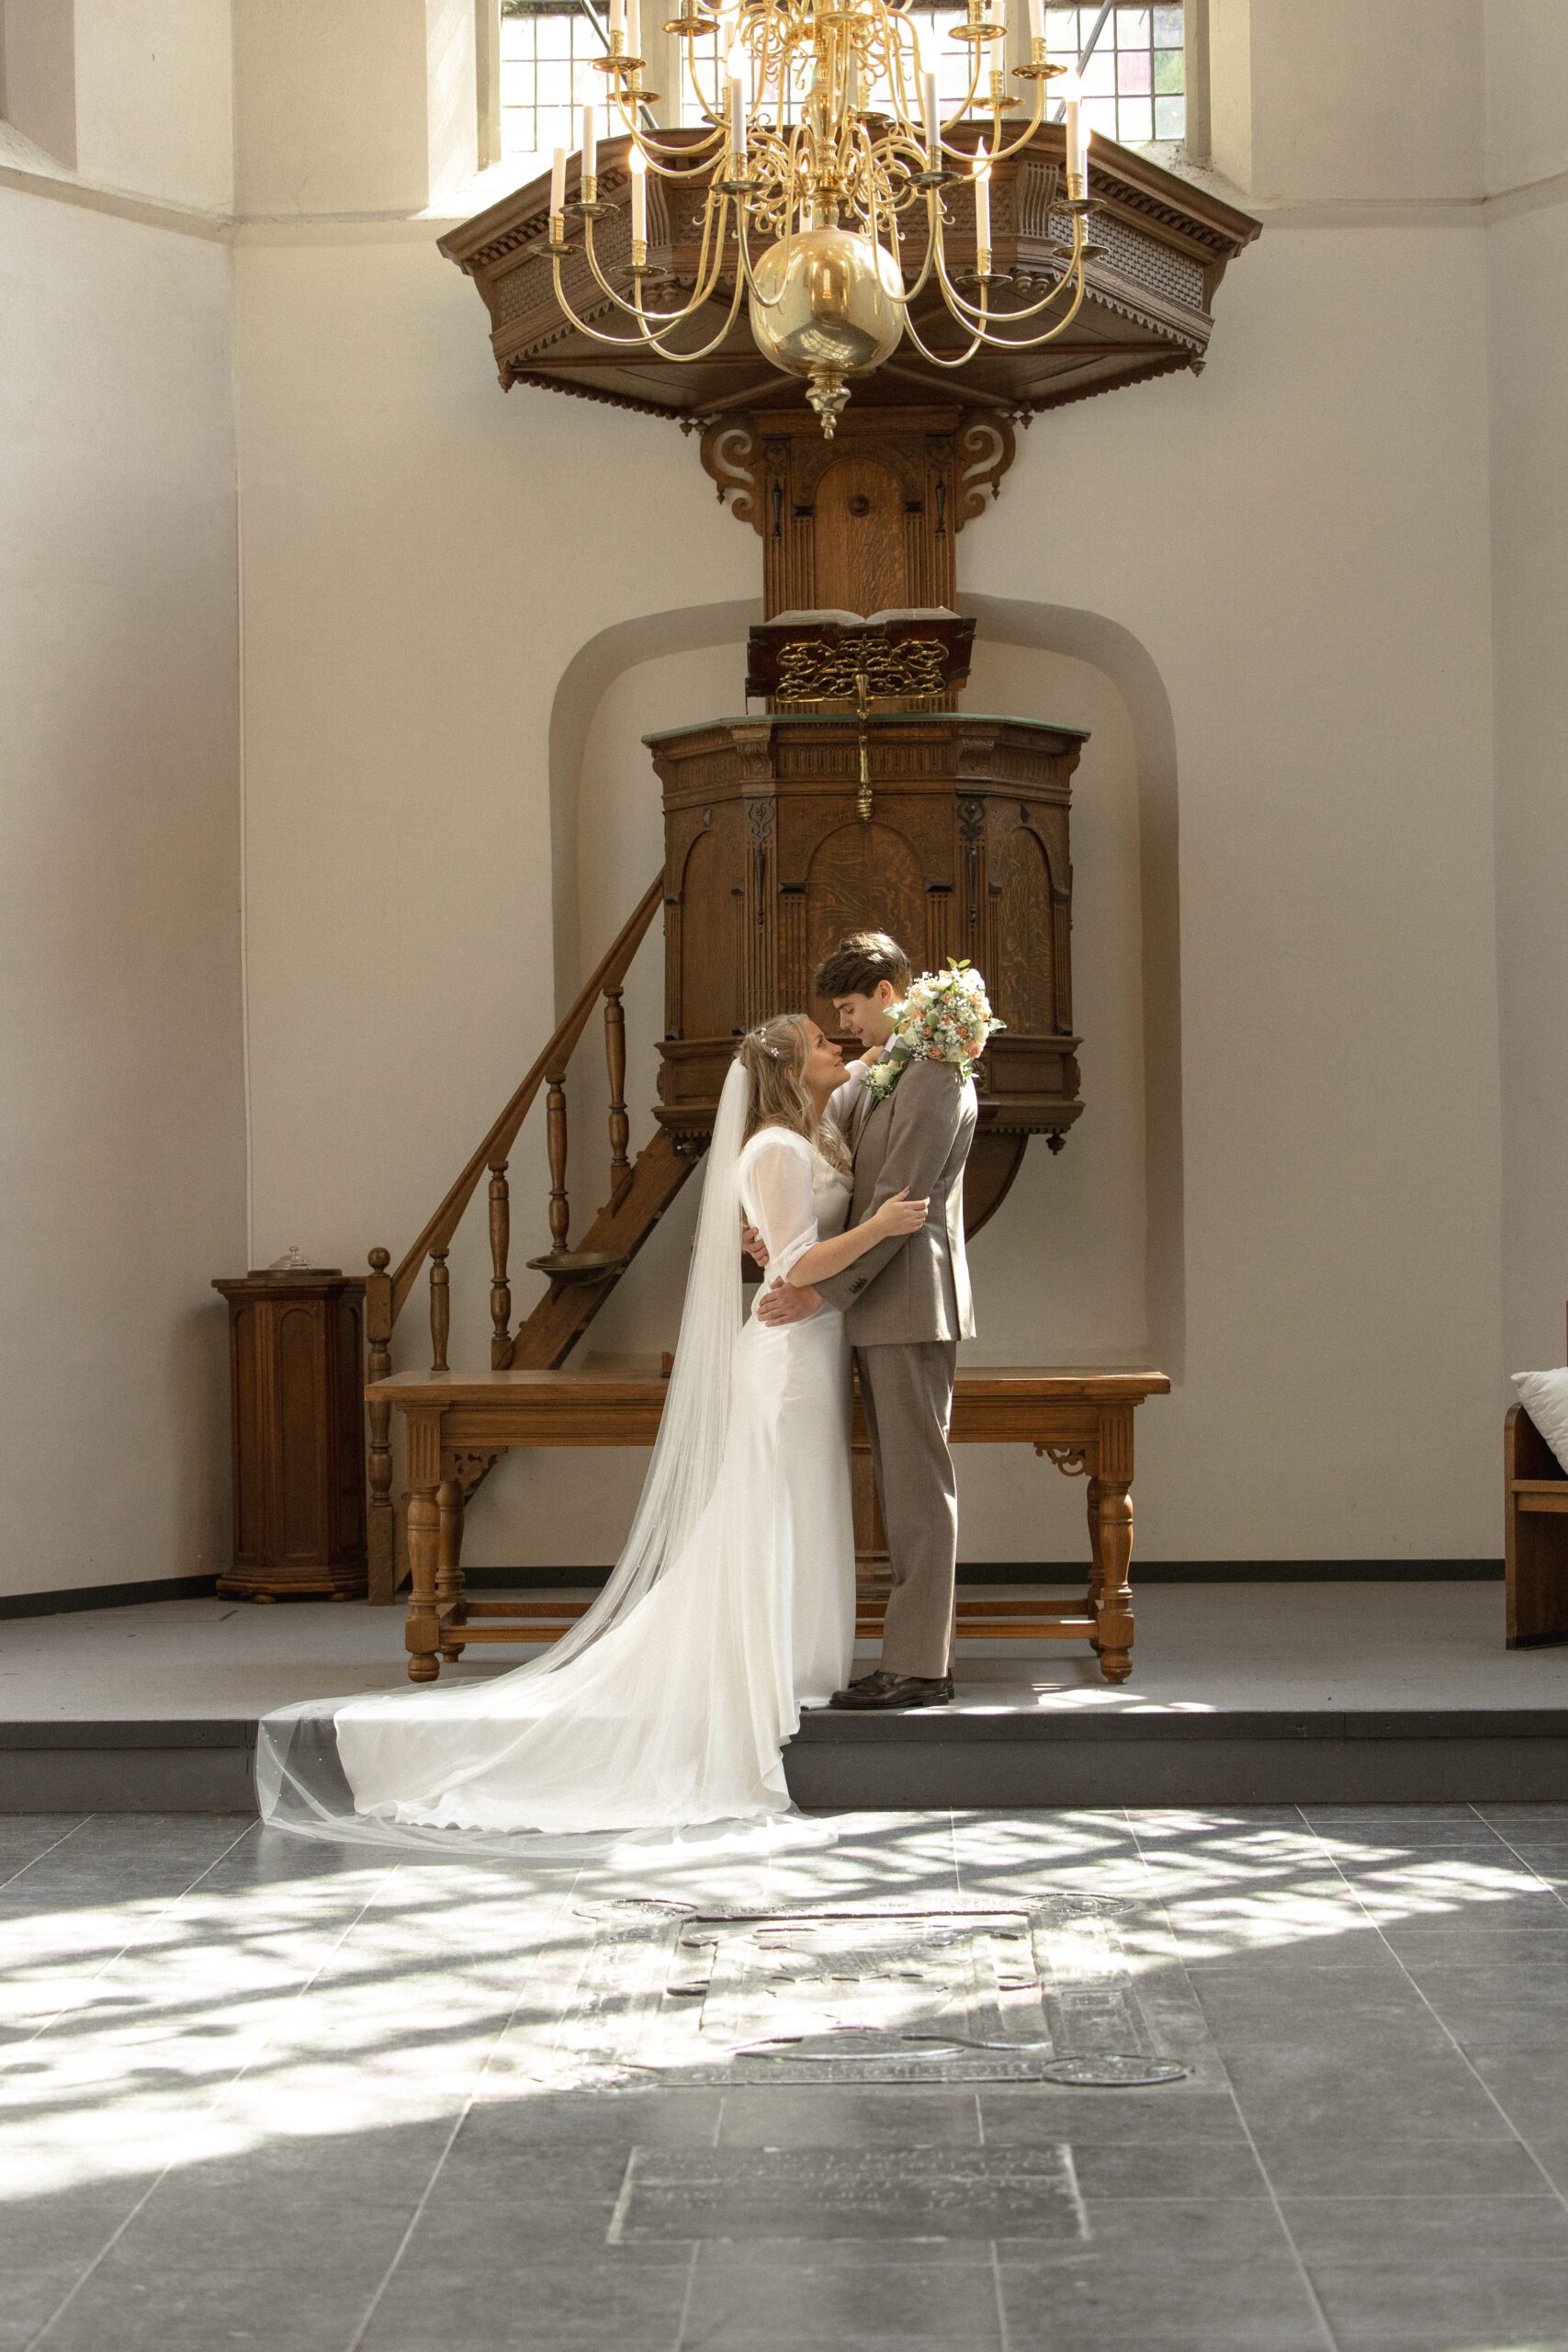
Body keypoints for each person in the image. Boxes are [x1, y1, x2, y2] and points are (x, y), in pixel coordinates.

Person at [255, 1012, 927, 1846]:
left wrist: (923, 1030)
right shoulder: (775, 1149)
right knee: (774, 1507)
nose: (838, 1047)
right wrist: (880, 1228)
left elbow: (877, 1076)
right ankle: (768, 1666)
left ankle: (797, 1660)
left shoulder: (816, 1133)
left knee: (801, 1503)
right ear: (790, 1067)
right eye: (822, 1042)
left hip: (814, 1348)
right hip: (789, 1357)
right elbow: (790, 1266)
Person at [754, 932, 977, 1713]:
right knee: (896, 1484)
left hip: (908, 1301)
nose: (846, 1027)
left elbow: (902, 1206)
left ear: (886, 992)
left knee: (917, 1489)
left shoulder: (932, 1072)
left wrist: (821, 1293)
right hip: (873, 1302)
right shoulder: (892, 1067)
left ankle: (920, 1667)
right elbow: (842, 1179)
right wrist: (778, 1235)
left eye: (849, 1008)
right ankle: (903, 1657)